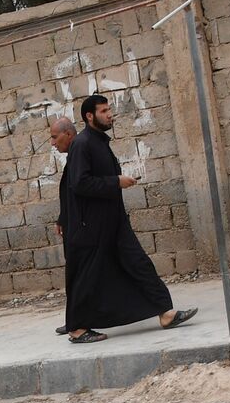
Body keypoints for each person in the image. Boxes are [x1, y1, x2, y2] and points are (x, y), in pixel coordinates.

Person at [63, 94, 197, 344]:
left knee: (138, 263)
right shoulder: (82, 144)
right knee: (88, 275)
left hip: (114, 221)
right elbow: (79, 183)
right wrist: (116, 182)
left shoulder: (99, 142)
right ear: (89, 116)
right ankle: (77, 329)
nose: (110, 114)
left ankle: (165, 313)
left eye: (109, 110)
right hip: (93, 226)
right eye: (103, 111)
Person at [50, 117, 77, 337]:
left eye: (54, 137)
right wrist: (62, 218)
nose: (52, 143)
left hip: (81, 228)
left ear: (68, 134)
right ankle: (75, 321)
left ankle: (76, 324)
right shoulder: (74, 156)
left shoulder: (79, 154)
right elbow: (70, 194)